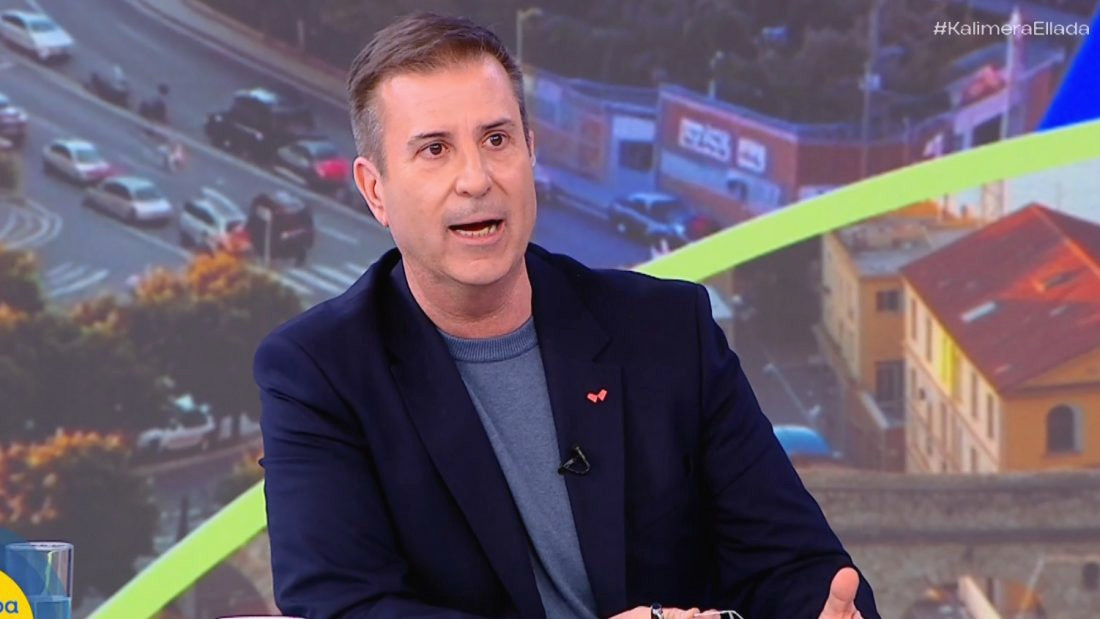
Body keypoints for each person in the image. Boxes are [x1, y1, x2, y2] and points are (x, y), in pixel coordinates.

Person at [254, 12, 880, 619]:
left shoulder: (667, 330)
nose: (476, 179)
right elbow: (345, 606)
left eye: (496, 140)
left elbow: (795, 566)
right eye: (435, 149)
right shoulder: (318, 374)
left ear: (530, 151)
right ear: (375, 190)